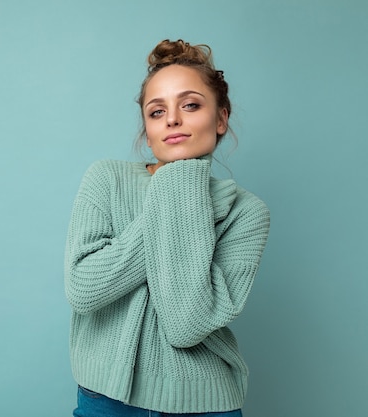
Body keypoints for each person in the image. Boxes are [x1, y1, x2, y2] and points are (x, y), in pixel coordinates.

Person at [64, 39, 271, 417]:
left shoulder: (247, 212)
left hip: (204, 403)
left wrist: (185, 185)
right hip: (107, 400)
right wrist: (177, 198)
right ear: (146, 128)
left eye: (190, 105)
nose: (172, 119)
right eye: (156, 112)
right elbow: (83, 288)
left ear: (221, 118)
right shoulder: (106, 179)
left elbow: (186, 324)